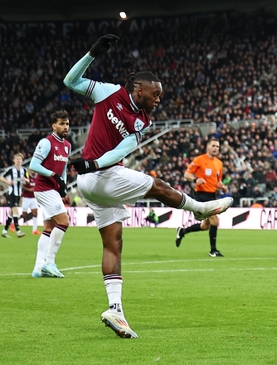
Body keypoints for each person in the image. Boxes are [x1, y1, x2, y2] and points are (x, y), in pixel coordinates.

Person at [63, 34, 233, 339]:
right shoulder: (108, 92)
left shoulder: (143, 121)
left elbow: (121, 151)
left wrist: (94, 163)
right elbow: (70, 81)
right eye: (155, 94)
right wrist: (91, 54)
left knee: (113, 244)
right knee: (157, 185)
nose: (158, 99)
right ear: (138, 89)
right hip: (99, 177)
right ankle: (198, 209)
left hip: (96, 177)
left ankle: (115, 310)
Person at [29, 110, 72, 278]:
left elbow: (64, 169)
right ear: (54, 126)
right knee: (64, 222)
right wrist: (53, 175)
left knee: (48, 228)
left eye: (67, 123)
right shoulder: (46, 142)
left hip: (53, 190)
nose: (65, 127)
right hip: (44, 188)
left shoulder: (67, 145)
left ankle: (38, 268)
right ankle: (50, 262)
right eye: (62, 124)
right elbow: (34, 165)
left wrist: (63, 186)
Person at [175, 138, 229, 257]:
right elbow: (187, 174)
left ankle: (182, 231)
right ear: (208, 147)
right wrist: (195, 180)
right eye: (213, 146)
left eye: (217, 146)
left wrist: (223, 187)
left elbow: (217, 181)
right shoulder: (199, 160)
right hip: (201, 194)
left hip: (212, 195)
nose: (216, 148)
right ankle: (213, 251)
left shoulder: (219, 163)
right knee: (215, 220)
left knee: (205, 226)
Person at [1, 153, 27, 238]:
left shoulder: (24, 170)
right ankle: (18, 231)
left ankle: (4, 231)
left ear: (22, 161)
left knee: (11, 213)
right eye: (17, 159)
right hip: (12, 193)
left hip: (19, 193)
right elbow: (1, 177)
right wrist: (8, 182)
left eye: (20, 159)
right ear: (14, 160)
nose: (19, 161)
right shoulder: (10, 169)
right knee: (16, 211)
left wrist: (25, 179)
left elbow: (28, 180)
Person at [21, 168, 40, 235]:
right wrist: (28, 189)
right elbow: (22, 186)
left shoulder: (38, 178)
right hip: (26, 198)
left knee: (35, 212)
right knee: (24, 214)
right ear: (30, 171)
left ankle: (34, 230)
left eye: (34, 170)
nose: (33, 171)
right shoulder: (27, 177)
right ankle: (14, 221)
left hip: (34, 198)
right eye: (32, 170)